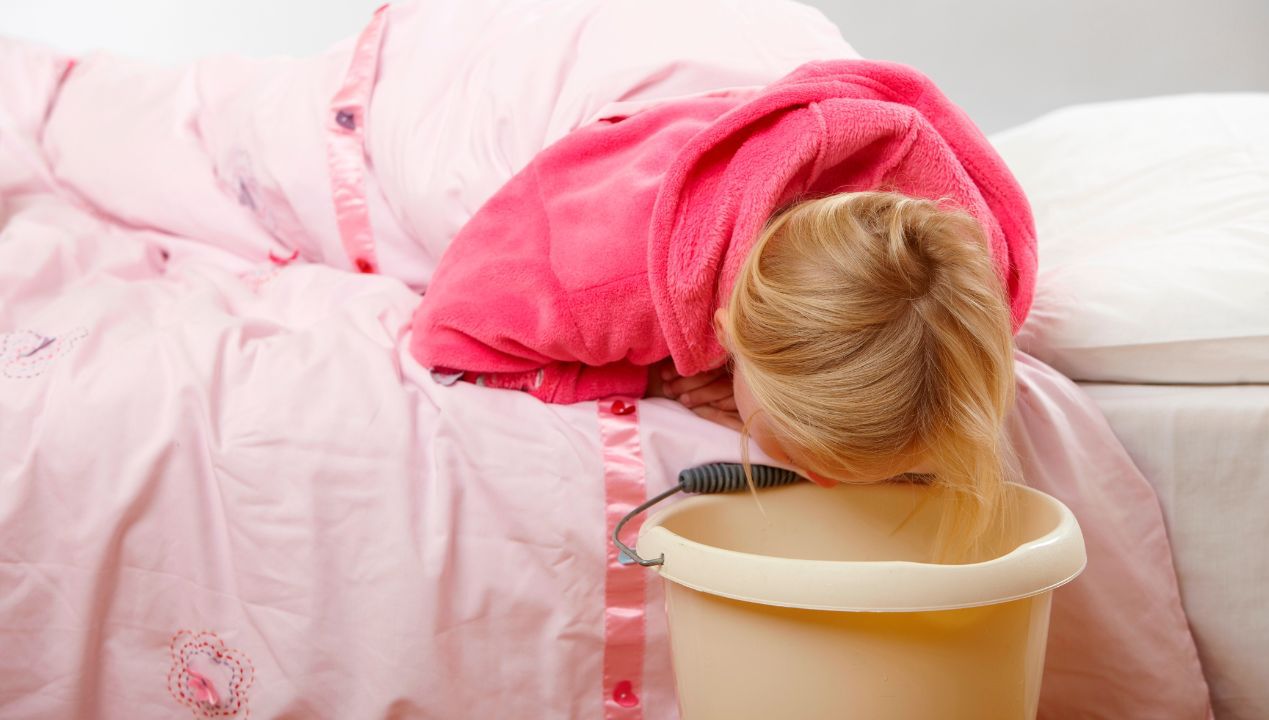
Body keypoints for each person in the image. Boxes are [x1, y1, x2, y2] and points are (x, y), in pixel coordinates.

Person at [645, 191, 1016, 560]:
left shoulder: (984, 288)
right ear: (726, 334)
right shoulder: (636, 283)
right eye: (792, 456)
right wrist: (665, 376)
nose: (826, 484)